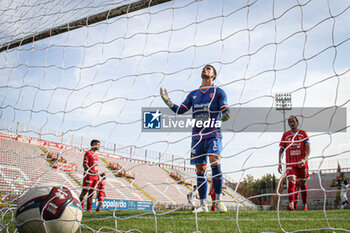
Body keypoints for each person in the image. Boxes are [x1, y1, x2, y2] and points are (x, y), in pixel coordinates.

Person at [161, 64, 230, 213]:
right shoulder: (193, 94)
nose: (205, 69)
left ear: (214, 76)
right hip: (197, 137)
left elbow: (225, 108)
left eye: (209, 68)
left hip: (213, 134)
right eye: (204, 68)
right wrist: (169, 102)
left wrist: (225, 114)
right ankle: (203, 204)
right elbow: (181, 110)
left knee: (214, 161)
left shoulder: (219, 92)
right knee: (200, 169)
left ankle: (218, 201)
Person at [278, 115, 310, 211]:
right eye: (290, 122)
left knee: (302, 184)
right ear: (288, 124)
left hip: (301, 163)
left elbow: (308, 149)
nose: (292, 123)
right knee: (291, 181)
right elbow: (281, 150)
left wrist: (305, 159)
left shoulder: (303, 134)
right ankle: (291, 204)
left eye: (293, 122)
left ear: (297, 122)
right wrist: (279, 162)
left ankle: (304, 204)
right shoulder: (285, 135)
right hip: (290, 163)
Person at [79, 139, 100, 212]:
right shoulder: (88, 153)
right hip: (89, 176)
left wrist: (97, 175)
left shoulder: (96, 155)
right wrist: (91, 172)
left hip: (95, 177)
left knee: (91, 193)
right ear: (93, 144)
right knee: (84, 192)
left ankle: (89, 210)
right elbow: (84, 164)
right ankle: (81, 208)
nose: (99, 146)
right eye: (97, 145)